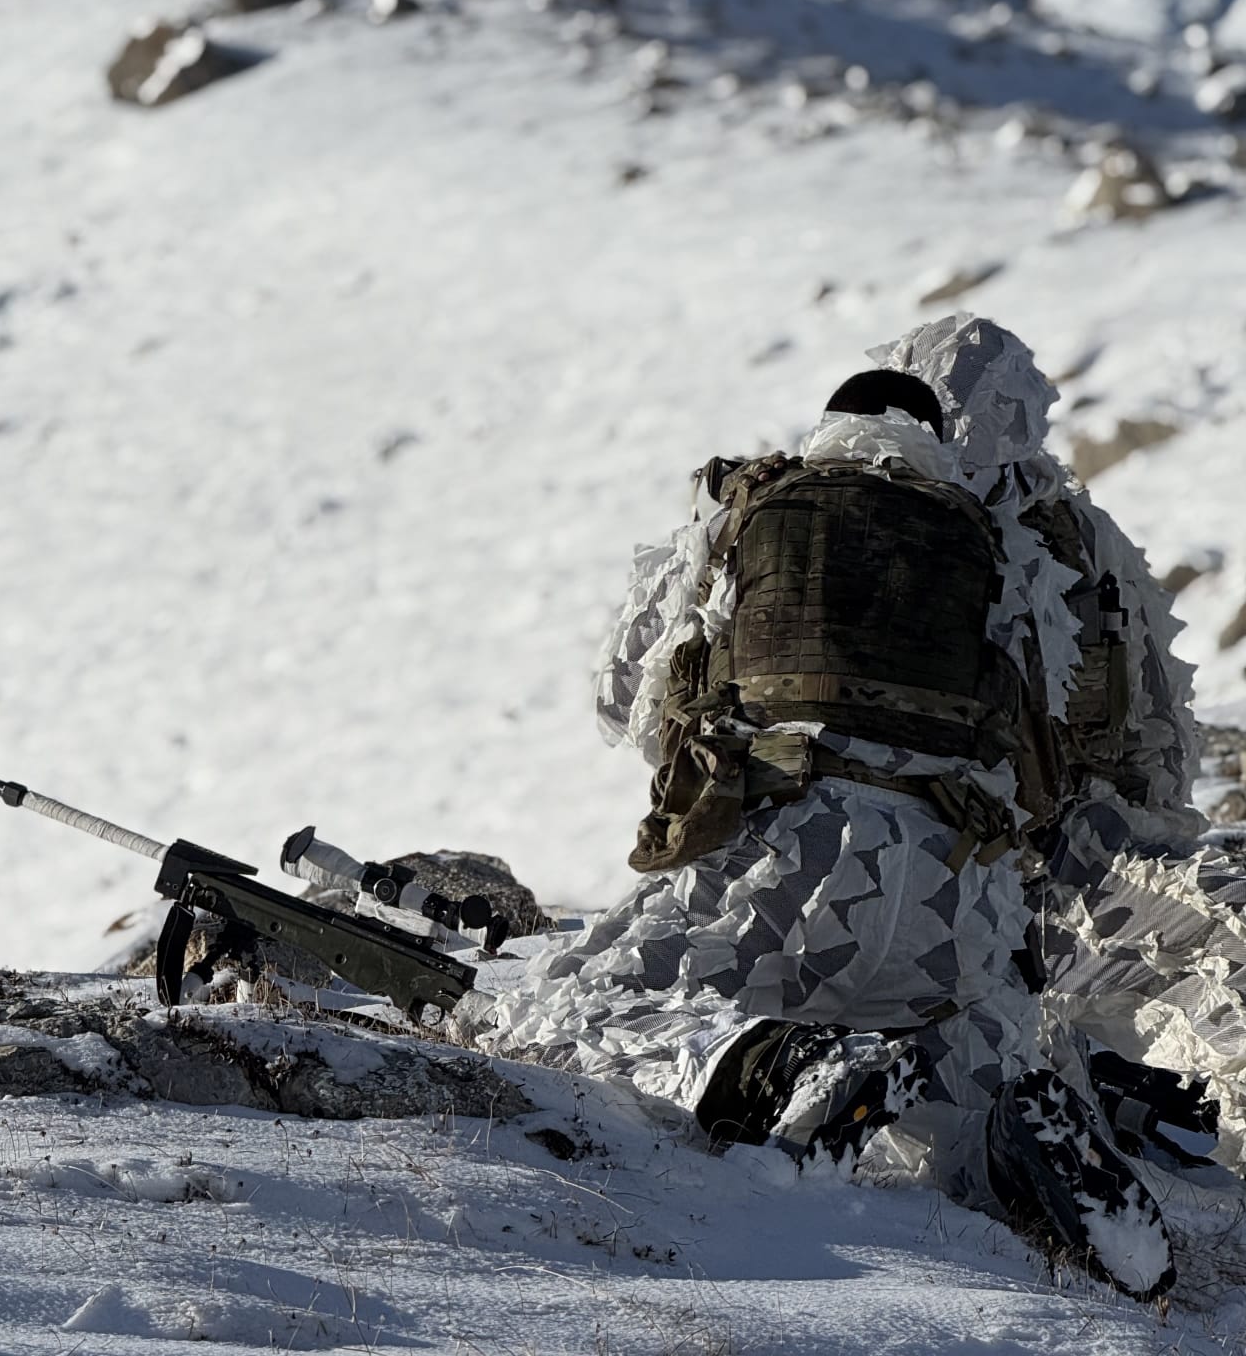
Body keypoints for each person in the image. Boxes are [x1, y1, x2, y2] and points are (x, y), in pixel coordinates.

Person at [461, 335, 1174, 1299]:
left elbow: (628, 695)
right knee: (964, 1065)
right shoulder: (1006, 546)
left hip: (771, 876)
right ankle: (1005, 1136)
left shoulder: (747, 506)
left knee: (551, 1011)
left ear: (828, 424)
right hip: (949, 903)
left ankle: (752, 1063)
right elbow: (1044, 744)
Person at [874, 312, 1246, 1226]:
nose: (1025, 417)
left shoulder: (1061, 528)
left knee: (1240, 919)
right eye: (1004, 401)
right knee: (1236, 929)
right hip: (965, 875)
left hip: (1049, 859)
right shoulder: (918, 521)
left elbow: (1149, 713)